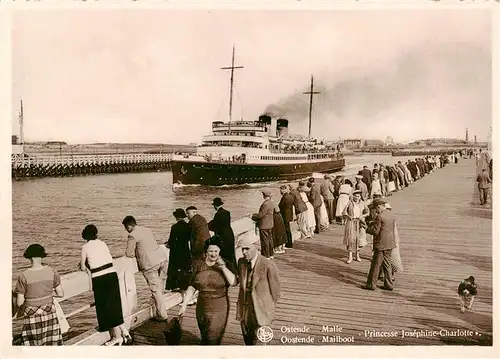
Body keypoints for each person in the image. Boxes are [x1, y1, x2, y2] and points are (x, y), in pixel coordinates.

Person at [178, 236, 237, 345]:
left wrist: (223, 267)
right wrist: (184, 305)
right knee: (205, 337)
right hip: (202, 306)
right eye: (210, 251)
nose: (213, 254)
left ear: (220, 251)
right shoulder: (198, 264)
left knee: (212, 338)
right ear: (206, 251)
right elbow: (192, 286)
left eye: (216, 251)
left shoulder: (226, 263)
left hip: (219, 306)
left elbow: (233, 283)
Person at [80, 225, 131, 345]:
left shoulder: (85, 247)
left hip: (99, 278)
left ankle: (116, 337)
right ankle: (123, 330)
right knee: (114, 304)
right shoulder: (103, 243)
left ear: (85, 236)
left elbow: (82, 267)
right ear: (96, 234)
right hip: (112, 275)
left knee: (105, 308)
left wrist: (86, 266)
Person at [14, 244, 64, 346]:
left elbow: (19, 303)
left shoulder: (23, 276)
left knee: (34, 344)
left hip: (32, 314)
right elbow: (61, 293)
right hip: (49, 311)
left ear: (30, 257)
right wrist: (47, 293)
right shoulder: (52, 271)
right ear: (42, 256)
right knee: (51, 342)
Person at [236, 234, 280, 345]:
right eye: (242, 249)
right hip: (245, 309)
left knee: (262, 344)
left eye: (247, 248)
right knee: (248, 342)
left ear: (256, 247)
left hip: (262, 310)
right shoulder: (241, 263)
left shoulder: (267, 264)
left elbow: (275, 291)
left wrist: (268, 306)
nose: (244, 252)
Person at [123, 215, 169, 321]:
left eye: (126, 227)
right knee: (160, 286)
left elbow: (129, 253)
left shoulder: (132, 235)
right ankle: (158, 308)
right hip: (161, 259)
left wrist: (136, 253)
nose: (126, 230)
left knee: (155, 290)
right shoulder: (147, 230)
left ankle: (162, 315)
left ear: (129, 226)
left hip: (150, 264)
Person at [363, 198, 396, 291]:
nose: (375, 210)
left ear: (378, 207)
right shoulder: (391, 214)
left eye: (376, 208)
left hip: (381, 244)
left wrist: (366, 228)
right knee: (387, 264)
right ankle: (389, 284)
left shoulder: (379, 216)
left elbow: (375, 231)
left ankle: (371, 284)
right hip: (390, 243)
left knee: (375, 265)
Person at [165, 209, 192, 291]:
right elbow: (189, 238)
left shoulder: (174, 227)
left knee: (174, 267)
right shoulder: (188, 226)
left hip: (176, 250)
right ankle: (185, 285)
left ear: (177, 217)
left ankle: (175, 286)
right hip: (185, 249)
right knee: (185, 268)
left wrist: (168, 244)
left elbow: (171, 240)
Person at [208, 198, 236, 268]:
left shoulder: (218, 214)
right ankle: (234, 270)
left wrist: (207, 225)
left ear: (215, 206)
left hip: (222, 237)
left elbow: (214, 225)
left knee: (224, 255)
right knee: (231, 255)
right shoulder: (227, 212)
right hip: (229, 235)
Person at [342, 190, 368, 264]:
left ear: (360, 197)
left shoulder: (362, 203)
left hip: (359, 222)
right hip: (351, 222)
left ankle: (357, 255)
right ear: (353, 196)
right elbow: (344, 212)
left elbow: (367, 212)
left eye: (358, 196)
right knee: (350, 239)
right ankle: (350, 256)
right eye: (355, 196)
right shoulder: (350, 203)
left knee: (359, 238)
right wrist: (348, 216)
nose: (357, 198)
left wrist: (362, 216)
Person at [252, 189, 275, 259]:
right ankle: (271, 254)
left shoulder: (265, 204)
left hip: (264, 225)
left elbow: (261, 215)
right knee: (270, 239)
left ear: (264, 196)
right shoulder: (271, 202)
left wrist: (253, 216)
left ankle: (266, 255)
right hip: (270, 224)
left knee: (264, 240)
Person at [279, 185, 295, 249]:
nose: (280, 192)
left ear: (283, 190)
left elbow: (281, 206)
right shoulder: (290, 196)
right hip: (289, 215)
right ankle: (289, 243)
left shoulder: (285, 197)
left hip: (285, 216)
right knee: (288, 230)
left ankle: (288, 244)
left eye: (280, 190)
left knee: (286, 230)